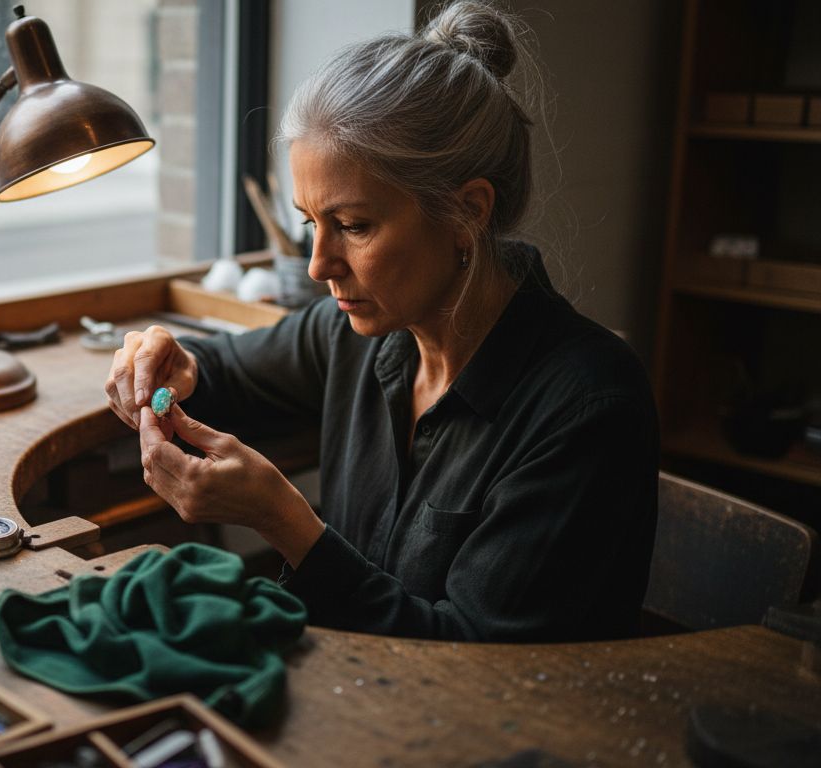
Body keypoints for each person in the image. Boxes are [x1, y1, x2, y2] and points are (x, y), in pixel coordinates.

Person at [104, 1, 658, 642]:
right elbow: (225, 373)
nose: (317, 266)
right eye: (311, 223)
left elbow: (471, 659)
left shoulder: (587, 408)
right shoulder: (361, 335)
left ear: (467, 213)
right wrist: (170, 360)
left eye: (354, 226)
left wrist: (285, 522)